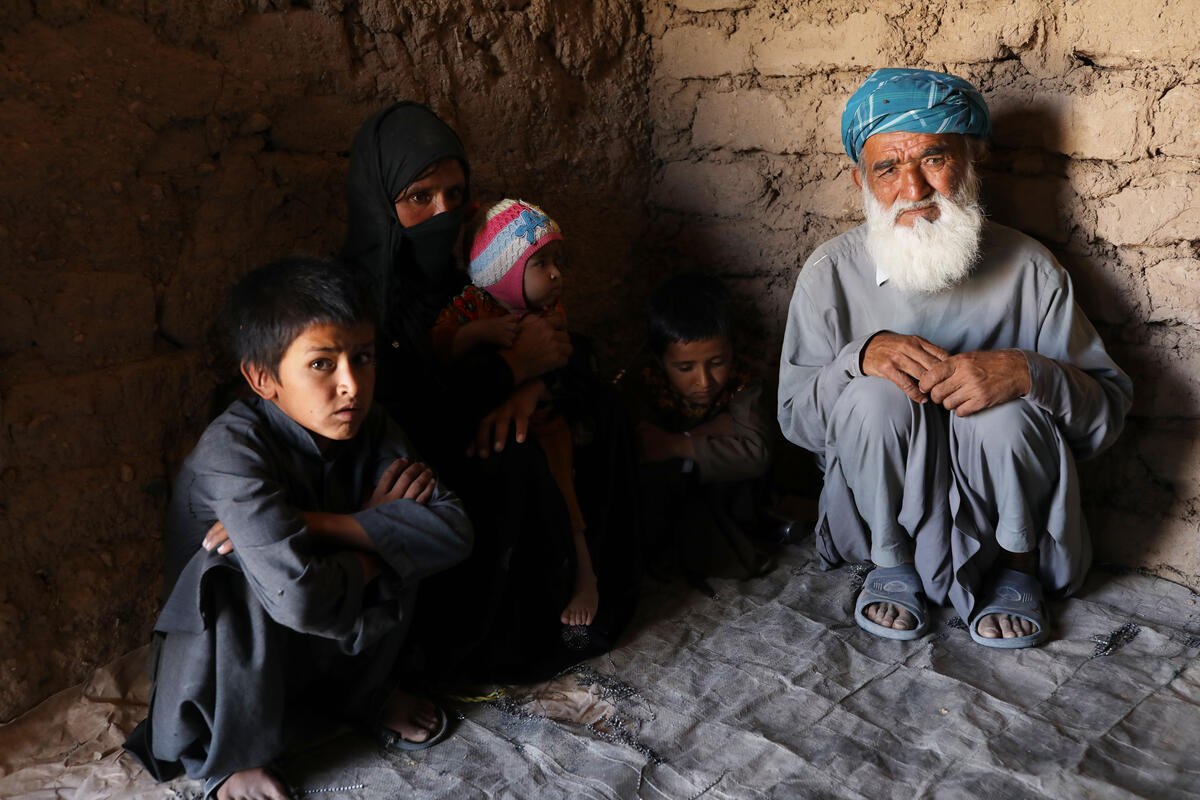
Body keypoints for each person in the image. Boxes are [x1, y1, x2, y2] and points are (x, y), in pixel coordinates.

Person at [777, 68, 1132, 648]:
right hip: (877, 518)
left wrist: (1028, 373)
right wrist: (856, 359)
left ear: (972, 161)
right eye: (887, 168)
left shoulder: (1031, 268)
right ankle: (891, 563)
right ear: (861, 181)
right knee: (870, 393)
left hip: (1010, 525)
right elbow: (797, 421)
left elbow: (1106, 417)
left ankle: (1017, 571)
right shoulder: (830, 273)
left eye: (933, 160)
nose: (913, 190)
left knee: (1007, 409)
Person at [124, 257, 473, 800]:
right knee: (240, 568)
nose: (351, 386)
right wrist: (376, 539)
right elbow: (301, 599)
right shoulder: (232, 451)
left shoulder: (373, 426)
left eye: (363, 359)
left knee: (406, 529)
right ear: (263, 379)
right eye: (321, 365)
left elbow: (453, 529)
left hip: (321, 631)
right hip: (235, 660)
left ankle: (365, 696)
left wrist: (327, 523)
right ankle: (234, 755)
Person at [342, 102, 638, 680]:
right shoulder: (356, 302)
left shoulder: (468, 283)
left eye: (455, 195)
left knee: (604, 410)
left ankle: (602, 588)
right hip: (425, 458)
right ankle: (505, 640)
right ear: (380, 201)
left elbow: (563, 348)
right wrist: (508, 372)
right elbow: (394, 409)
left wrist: (528, 389)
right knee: (510, 458)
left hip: (496, 420)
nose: (443, 212)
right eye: (420, 197)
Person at [433, 198, 598, 628]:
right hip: (488, 427)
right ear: (500, 273)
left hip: (543, 421)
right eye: (540, 263)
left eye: (556, 261)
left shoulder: (549, 313)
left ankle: (585, 572)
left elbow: (568, 363)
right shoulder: (472, 307)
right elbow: (438, 348)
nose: (557, 274)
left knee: (565, 485)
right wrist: (477, 332)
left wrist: (531, 393)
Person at [625, 272, 774, 594]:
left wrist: (677, 444)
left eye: (717, 362)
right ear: (659, 360)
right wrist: (712, 433)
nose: (704, 382)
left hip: (727, 499)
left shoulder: (744, 385)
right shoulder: (642, 384)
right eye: (685, 368)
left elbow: (755, 453)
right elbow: (642, 447)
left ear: (732, 351)